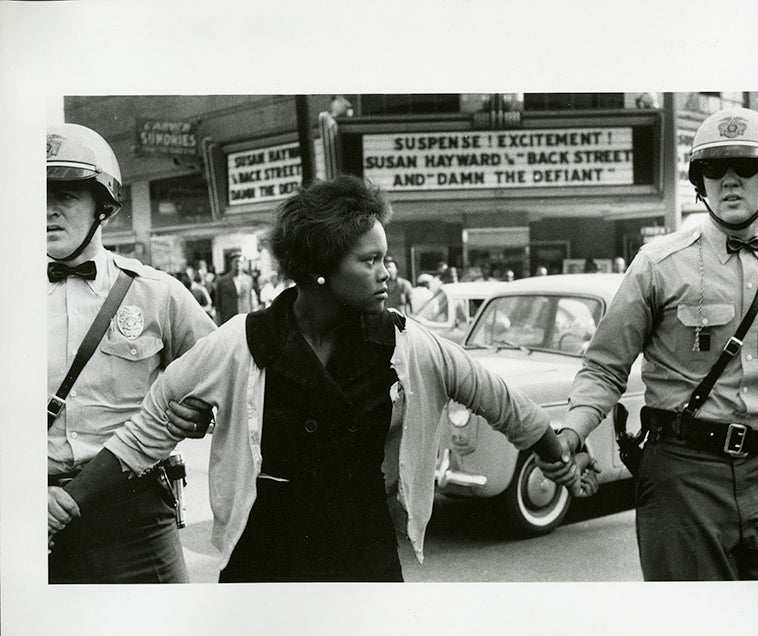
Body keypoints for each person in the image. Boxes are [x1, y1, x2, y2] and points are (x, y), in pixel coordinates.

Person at [48, 175, 575, 583]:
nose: (389, 273)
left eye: (386, 259)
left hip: (361, 549)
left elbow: (499, 399)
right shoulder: (242, 342)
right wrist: (66, 504)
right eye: (371, 261)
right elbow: (150, 427)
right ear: (320, 268)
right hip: (265, 552)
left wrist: (557, 457)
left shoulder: (405, 344)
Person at [540, 107, 758, 581]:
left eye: (745, 167)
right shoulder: (658, 265)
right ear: (699, 183)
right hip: (684, 478)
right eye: (713, 169)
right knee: (693, 631)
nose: (729, 181)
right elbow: (604, 367)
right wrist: (570, 435)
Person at [46, 123, 217, 583]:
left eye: (65, 196)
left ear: (102, 205)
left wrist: (201, 416)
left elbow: (226, 377)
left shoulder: (158, 294)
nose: (46, 212)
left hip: (135, 515)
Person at [212, 253, 257, 325]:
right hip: (228, 319)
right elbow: (218, 305)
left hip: (244, 318)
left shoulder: (248, 280)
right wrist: (219, 322)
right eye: (236, 261)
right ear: (231, 263)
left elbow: (252, 300)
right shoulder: (222, 281)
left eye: (241, 262)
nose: (238, 264)